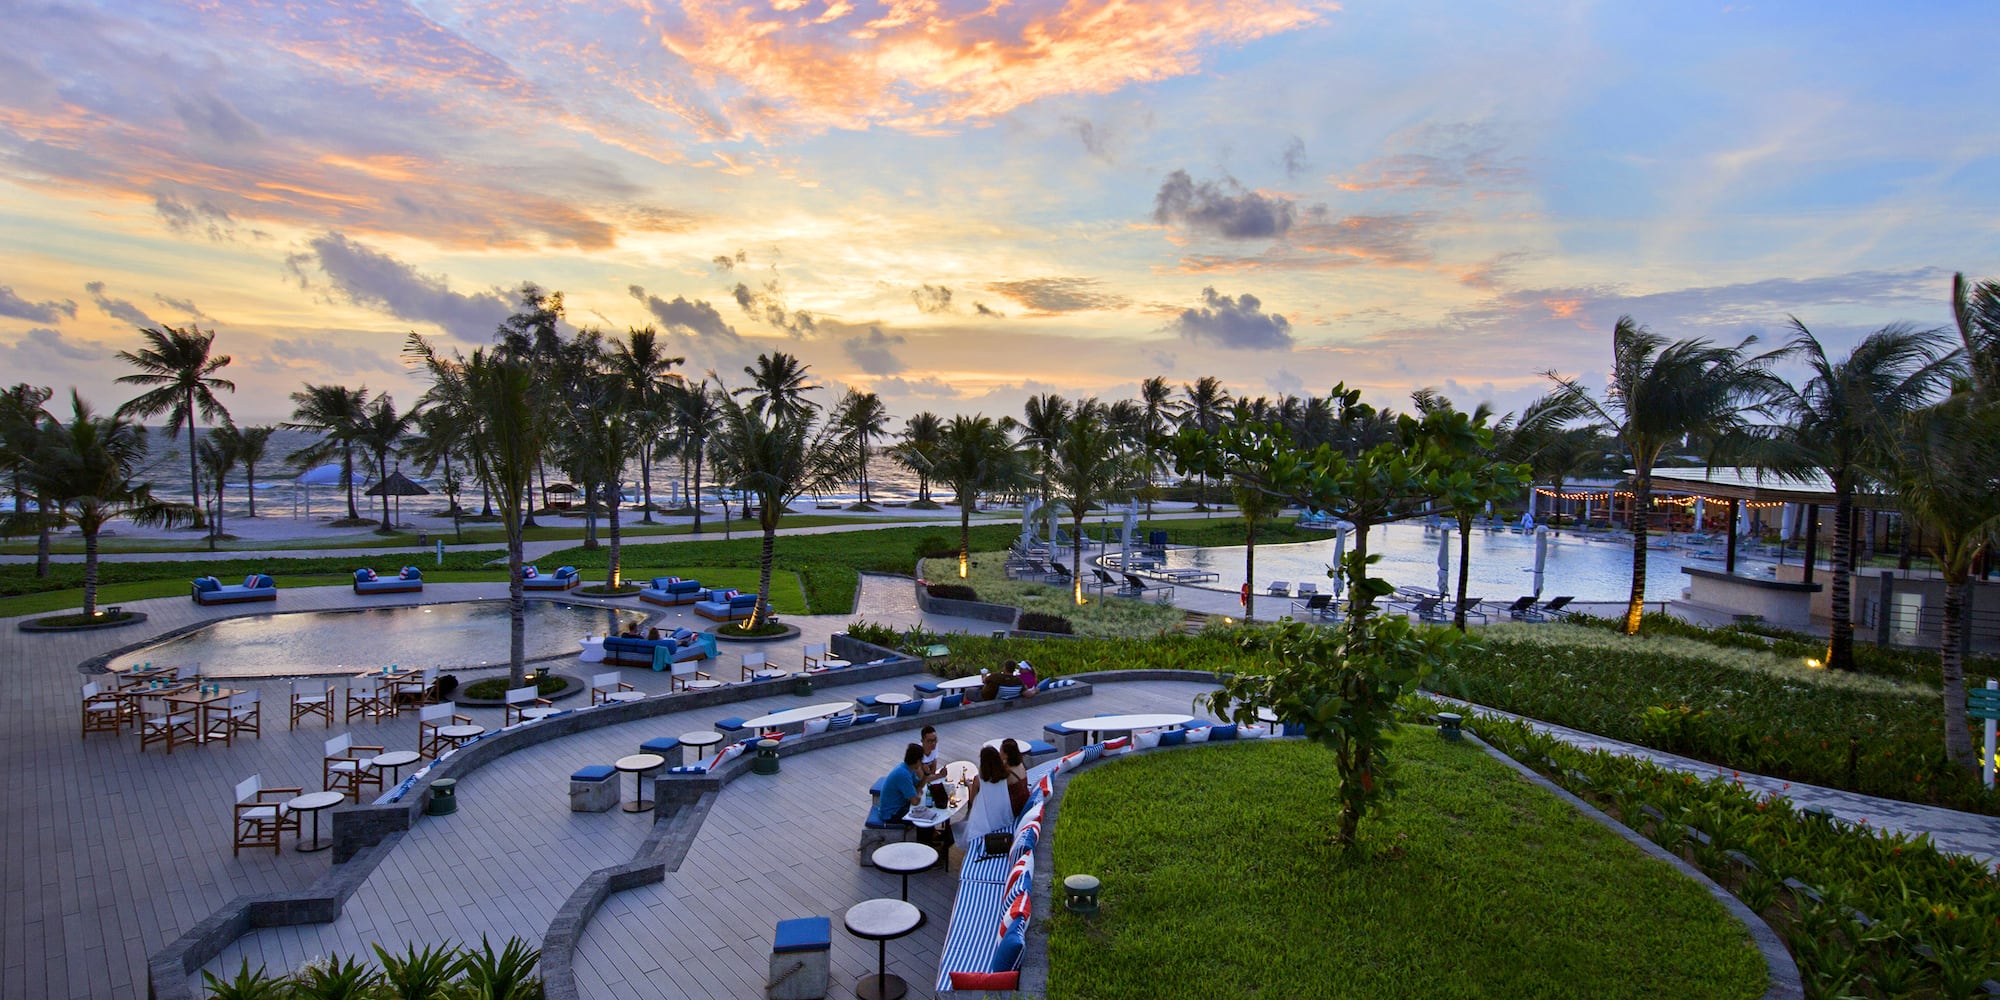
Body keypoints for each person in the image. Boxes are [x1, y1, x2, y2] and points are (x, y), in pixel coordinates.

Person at [957, 745, 1015, 851]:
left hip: (985, 822)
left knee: (964, 822)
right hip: (1002, 817)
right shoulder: (1005, 776)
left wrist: (970, 785)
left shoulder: (979, 779)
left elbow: (972, 800)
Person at [876, 742, 925, 825]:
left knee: (923, 809)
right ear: (917, 761)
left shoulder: (908, 768)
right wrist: (919, 794)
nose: (922, 763)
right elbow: (915, 801)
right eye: (921, 761)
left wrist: (926, 774)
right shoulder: (903, 774)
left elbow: (918, 785)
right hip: (891, 814)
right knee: (922, 816)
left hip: (899, 806)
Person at [999, 739, 1030, 814]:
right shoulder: (1020, 764)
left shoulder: (1007, 772)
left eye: (1000, 751)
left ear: (1006, 755)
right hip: (1023, 801)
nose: (999, 753)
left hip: (1014, 808)